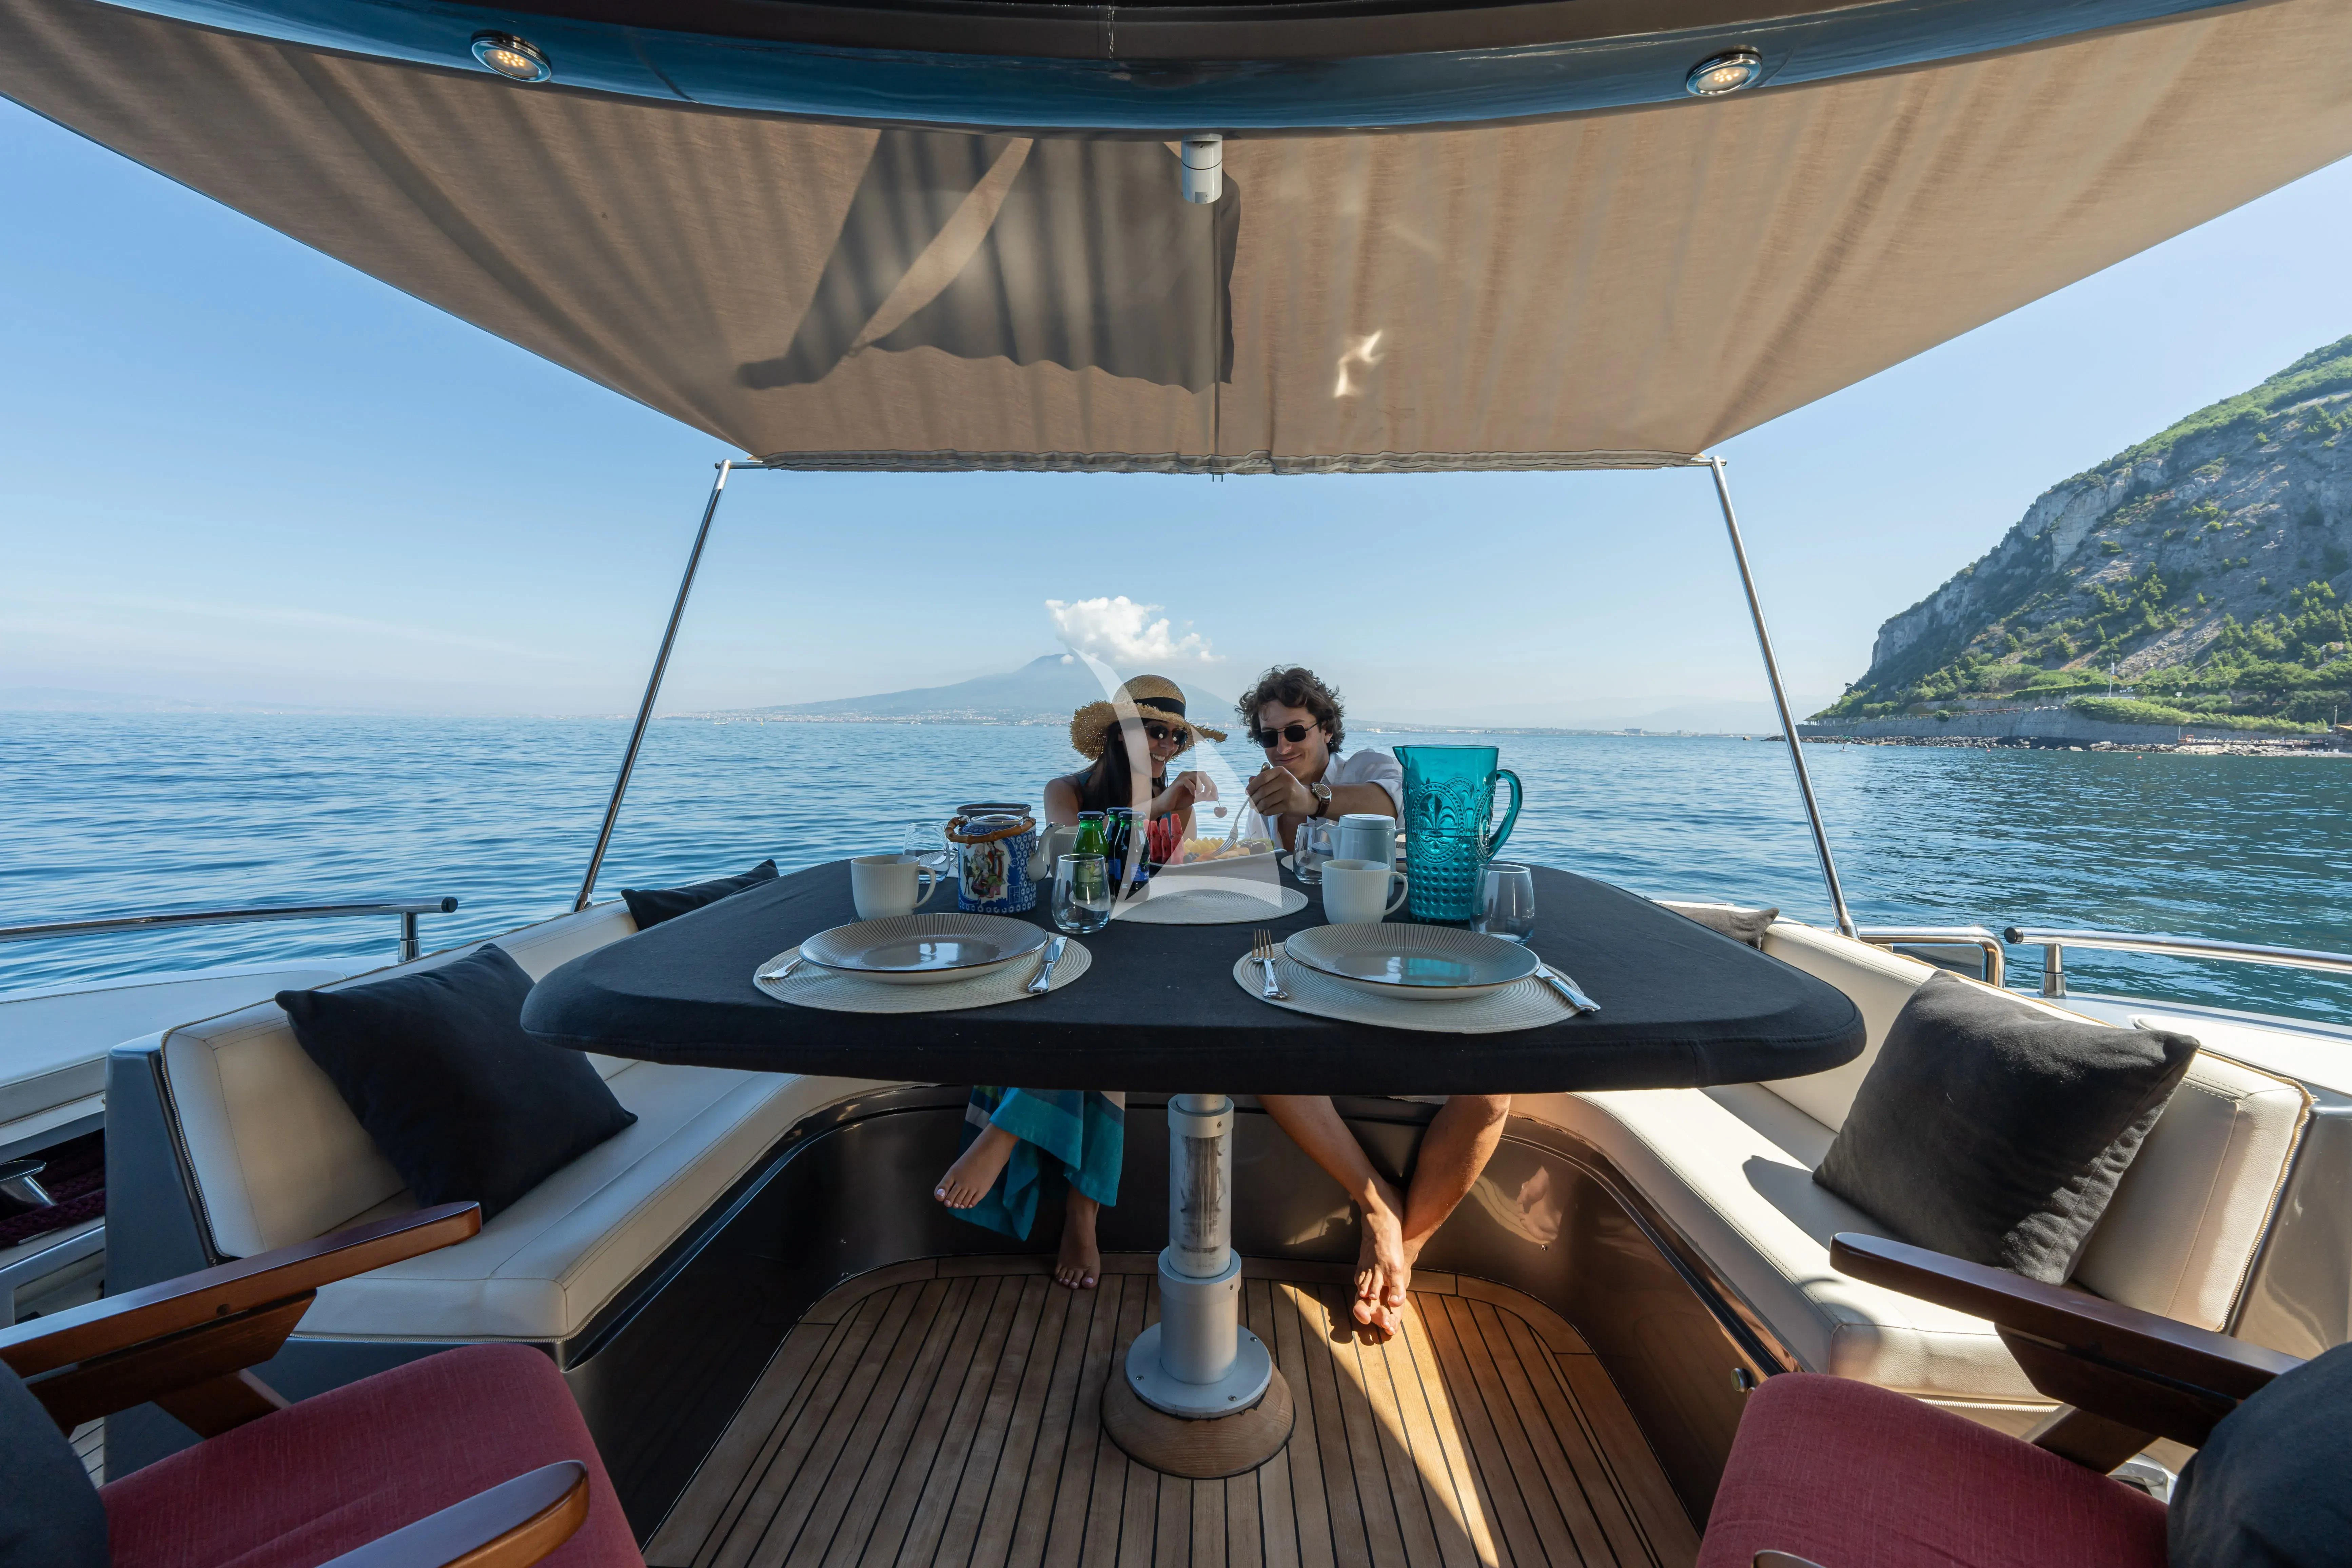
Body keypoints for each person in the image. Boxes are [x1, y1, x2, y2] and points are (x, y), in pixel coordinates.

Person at [1232, 665, 1509, 1343]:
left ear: (1326, 728)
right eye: (1269, 737)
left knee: (1496, 1086)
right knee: (1260, 1049)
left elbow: (1388, 805)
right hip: (1318, 961)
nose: (1281, 747)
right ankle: (1377, 1202)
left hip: (1397, 950)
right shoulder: (1270, 800)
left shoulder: (1368, 764)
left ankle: (1401, 1249)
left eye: (1295, 731)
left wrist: (1311, 798)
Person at [935, 675, 1228, 1290]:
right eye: (1158, 731)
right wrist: (1160, 803)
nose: (1170, 746)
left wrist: (1181, 813)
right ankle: (1081, 1212)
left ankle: (1006, 1131)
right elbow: (1080, 857)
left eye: (1177, 737)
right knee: (1085, 1017)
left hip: (1147, 940)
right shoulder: (1064, 790)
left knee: (1112, 1016)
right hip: (1078, 928)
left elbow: (1169, 880)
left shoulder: (1174, 795)